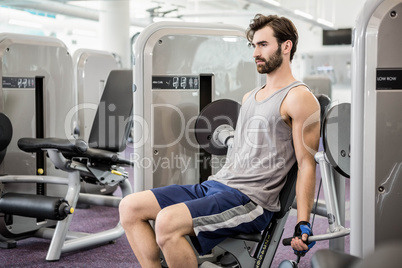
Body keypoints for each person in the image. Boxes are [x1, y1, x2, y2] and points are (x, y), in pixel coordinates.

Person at [119, 14, 320, 267]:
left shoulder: (299, 98)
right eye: (254, 46)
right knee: (130, 207)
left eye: (263, 45)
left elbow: (306, 164)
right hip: (217, 185)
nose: (256, 52)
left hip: (250, 200)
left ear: (286, 46)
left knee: (167, 223)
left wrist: (303, 221)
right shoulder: (250, 97)